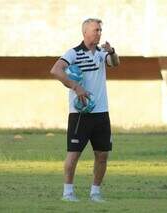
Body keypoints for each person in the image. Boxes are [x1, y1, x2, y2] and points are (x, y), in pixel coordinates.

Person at [50, 18, 120, 202]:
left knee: (102, 155)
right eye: (96, 30)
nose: (99, 33)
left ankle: (95, 193)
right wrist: (75, 86)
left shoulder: (101, 53)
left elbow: (115, 63)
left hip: (101, 113)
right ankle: (68, 193)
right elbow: (56, 70)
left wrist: (112, 51)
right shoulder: (73, 53)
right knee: (73, 155)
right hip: (80, 114)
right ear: (85, 32)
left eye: (100, 30)